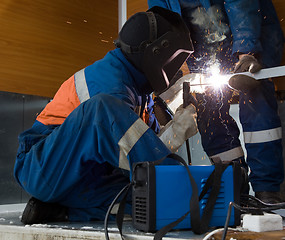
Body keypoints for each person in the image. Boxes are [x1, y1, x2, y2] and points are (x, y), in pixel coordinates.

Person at [14, 6, 198, 224]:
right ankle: (175, 190)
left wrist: (172, 126)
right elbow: (140, 159)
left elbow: (144, 151)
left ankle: (58, 212)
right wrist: (175, 133)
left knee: (144, 200)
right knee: (103, 110)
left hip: (82, 176)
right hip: (43, 166)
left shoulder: (140, 91)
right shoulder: (110, 84)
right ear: (156, 52)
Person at [148, 0, 285, 203]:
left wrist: (247, 52)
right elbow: (164, 21)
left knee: (256, 103)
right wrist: (170, 70)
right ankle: (234, 189)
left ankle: (268, 191)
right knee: (209, 113)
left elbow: (242, 4)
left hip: (250, 29)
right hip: (203, 44)